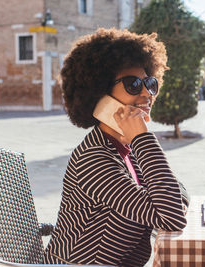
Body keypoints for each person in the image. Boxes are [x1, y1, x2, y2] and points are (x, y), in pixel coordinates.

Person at [43, 28, 189, 267]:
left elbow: (174, 194)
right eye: (132, 84)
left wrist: (138, 140)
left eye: (150, 83)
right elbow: (172, 215)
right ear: (100, 94)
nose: (146, 93)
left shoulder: (127, 149)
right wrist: (143, 137)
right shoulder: (94, 159)